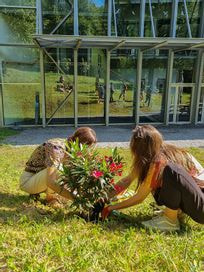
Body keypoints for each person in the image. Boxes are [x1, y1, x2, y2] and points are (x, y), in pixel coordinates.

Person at [102, 125, 204, 232]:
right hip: (194, 201)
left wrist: (110, 208)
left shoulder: (160, 160)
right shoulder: (153, 157)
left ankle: (170, 221)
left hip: (201, 207)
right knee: (154, 182)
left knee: (170, 171)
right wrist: (104, 197)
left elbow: (139, 197)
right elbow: (127, 180)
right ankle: (174, 214)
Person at [19, 127, 97, 207]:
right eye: (87, 147)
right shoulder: (56, 148)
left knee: (63, 171)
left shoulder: (69, 147)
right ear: (80, 144)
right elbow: (51, 181)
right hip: (28, 182)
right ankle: (51, 198)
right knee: (57, 170)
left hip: (39, 179)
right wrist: (77, 199)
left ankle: (51, 195)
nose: (87, 151)